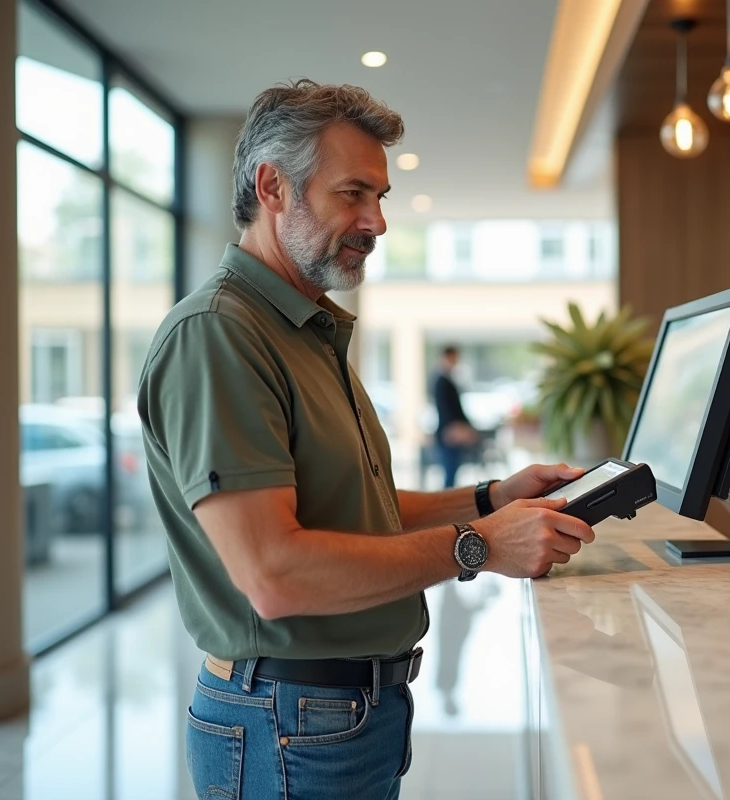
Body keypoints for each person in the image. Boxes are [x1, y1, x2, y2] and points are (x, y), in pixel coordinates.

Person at [136, 81, 594, 800]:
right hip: (287, 723)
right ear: (272, 187)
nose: (376, 221)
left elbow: (357, 510)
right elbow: (274, 573)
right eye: (352, 193)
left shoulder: (305, 329)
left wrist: (491, 499)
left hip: (337, 716)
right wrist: (478, 546)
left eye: (379, 196)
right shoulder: (221, 335)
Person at [432, 345, 478, 488]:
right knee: (450, 471)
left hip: (451, 430)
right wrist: (456, 428)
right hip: (450, 432)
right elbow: (446, 409)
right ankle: (447, 499)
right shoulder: (442, 382)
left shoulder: (448, 380)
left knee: (453, 470)